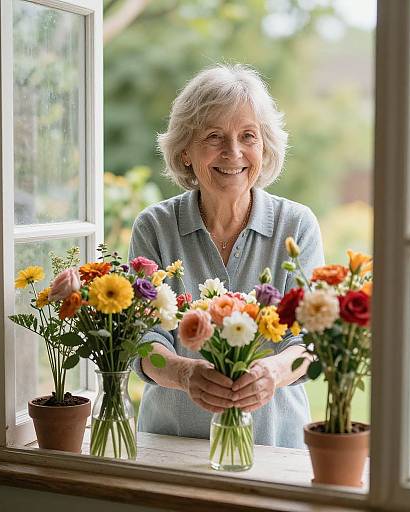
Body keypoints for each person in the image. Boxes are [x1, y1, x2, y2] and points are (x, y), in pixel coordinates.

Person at [129, 64, 324, 449]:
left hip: (273, 446)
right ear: (185, 151)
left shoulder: (297, 226)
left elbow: (310, 340)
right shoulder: (154, 227)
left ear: (264, 146)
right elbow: (142, 341)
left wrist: (273, 370)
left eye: (247, 136)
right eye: (214, 136)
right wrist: (186, 374)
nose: (233, 152)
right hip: (172, 444)